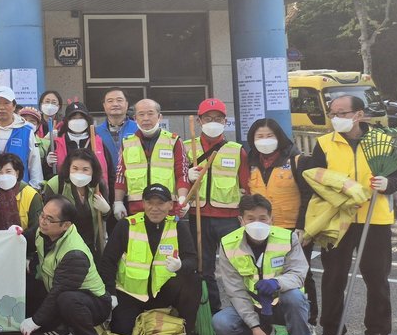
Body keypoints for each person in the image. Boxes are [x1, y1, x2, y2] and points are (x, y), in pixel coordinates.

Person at [302, 95, 397, 335]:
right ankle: (331, 331)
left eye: (341, 113)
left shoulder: (381, 141)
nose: (335, 118)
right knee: (334, 276)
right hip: (338, 218)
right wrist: (342, 191)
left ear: (358, 114)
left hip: (376, 218)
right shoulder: (325, 143)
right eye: (332, 113)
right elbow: (316, 178)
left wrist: (387, 184)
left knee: (377, 279)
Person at [211, 195, 315, 335]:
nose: (257, 224)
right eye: (250, 219)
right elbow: (236, 292)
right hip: (253, 305)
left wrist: (277, 282)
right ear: (241, 220)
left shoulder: (287, 238)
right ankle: (261, 333)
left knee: (295, 297)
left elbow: (299, 273)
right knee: (222, 323)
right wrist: (254, 327)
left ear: (271, 219)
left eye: (262, 218)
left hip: (282, 304)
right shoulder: (228, 244)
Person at [99, 184, 199, 335]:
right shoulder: (127, 225)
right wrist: (110, 293)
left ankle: (187, 332)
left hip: (163, 293)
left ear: (170, 205)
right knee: (122, 332)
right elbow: (108, 262)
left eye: (160, 203)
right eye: (150, 203)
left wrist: (181, 265)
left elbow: (192, 260)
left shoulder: (178, 226)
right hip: (131, 293)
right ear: (143, 204)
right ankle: (153, 321)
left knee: (193, 281)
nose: (155, 208)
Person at [22, 196, 111, 335]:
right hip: (55, 288)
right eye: (42, 215)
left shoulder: (75, 253)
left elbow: (59, 291)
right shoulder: (42, 230)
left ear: (66, 225)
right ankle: (61, 329)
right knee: (27, 284)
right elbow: (23, 240)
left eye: (50, 219)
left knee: (67, 299)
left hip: (93, 303)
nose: (43, 221)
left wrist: (35, 321)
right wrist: (13, 234)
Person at [245, 117, 315, 321]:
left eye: (270, 135)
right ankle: (273, 319)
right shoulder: (250, 162)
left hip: (292, 229)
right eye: (259, 136)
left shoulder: (296, 160)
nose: (265, 140)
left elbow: (308, 196)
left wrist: (303, 226)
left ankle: (309, 319)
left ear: (280, 137)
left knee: (301, 274)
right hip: (261, 228)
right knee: (266, 274)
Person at [185, 98, 249, 311]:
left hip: (229, 220)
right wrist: (187, 176)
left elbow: (247, 186)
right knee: (203, 268)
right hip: (198, 217)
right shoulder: (187, 147)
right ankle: (213, 312)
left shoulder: (237, 150)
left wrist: (247, 218)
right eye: (208, 118)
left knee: (239, 267)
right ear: (199, 121)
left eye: (218, 118)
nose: (213, 122)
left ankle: (244, 313)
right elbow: (177, 181)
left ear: (225, 121)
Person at [112, 99, 188, 218]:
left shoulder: (174, 141)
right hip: (136, 211)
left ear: (159, 117)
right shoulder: (127, 143)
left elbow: (182, 173)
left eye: (150, 113)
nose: (146, 118)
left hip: (166, 209)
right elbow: (121, 175)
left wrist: (183, 198)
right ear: (135, 118)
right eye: (141, 114)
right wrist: (118, 202)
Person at [41, 149, 111, 252]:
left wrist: (106, 210)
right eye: (75, 168)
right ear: (68, 168)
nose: (80, 173)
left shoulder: (98, 186)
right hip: (62, 247)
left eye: (85, 169)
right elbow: (45, 217)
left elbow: (104, 218)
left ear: (93, 170)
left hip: (91, 246)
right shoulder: (56, 185)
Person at [0, 86, 42, 185]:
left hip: (20, 189)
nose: (2, 107)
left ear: (14, 106)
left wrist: (36, 186)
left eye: (6, 103)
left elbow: (34, 163)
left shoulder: (26, 131)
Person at [47, 101, 113, 199]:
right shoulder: (56, 144)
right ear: (67, 121)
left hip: (95, 196)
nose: (77, 121)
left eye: (81, 118)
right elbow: (48, 175)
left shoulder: (98, 142)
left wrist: (112, 201)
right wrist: (47, 164)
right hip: (65, 197)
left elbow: (110, 172)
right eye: (73, 118)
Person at [0, 153, 43, 232]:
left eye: (8, 171)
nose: (4, 176)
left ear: (17, 173)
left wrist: (19, 236)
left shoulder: (31, 195)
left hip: (25, 238)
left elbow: (36, 226)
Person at [94, 88, 139, 183]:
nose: (115, 104)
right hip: (105, 184)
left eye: (119, 100)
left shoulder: (138, 129)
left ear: (126, 104)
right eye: (110, 101)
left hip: (134, 183)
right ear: (104, 106)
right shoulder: (95, 132)